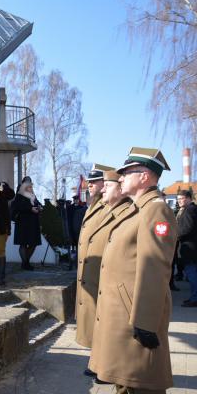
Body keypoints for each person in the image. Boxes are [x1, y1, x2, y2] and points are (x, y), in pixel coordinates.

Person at [89, 147, 177, 393]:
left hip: (136, 319)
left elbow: (155, 268)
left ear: (145, 176)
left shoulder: (156, 210)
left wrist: (146, 322)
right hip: (123, 315)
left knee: (142, 385)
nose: (121, 177)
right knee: (126, 384)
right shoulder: (137, 209)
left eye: (127, 172)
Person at [75, 169, 131, 382]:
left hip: (104, 274)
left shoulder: (117, 207)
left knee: (104, 321)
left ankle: (106, 366)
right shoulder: (99, 204)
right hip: (92, 271)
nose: (90, 185)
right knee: (96, 321)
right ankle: (99, 362)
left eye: (96, 182)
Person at [11, 176, 41, 271]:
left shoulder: (32, 193)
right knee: (23, 244)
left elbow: (36, 202)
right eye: (27, 182)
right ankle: (26, 264)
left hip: (33, 222)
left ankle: (25, 262)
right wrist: (30, 208)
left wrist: (40, 207)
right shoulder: (20, 192)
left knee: (34, 243)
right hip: (23, 222)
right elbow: (17, 205)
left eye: (30, 182)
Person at [176, 190, 197, 307]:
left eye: (182, 198)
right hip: (191, 248)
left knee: (191, 274)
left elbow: (188, 228)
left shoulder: (190, 210)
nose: (179, 201)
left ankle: (195, 298)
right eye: (178, 199)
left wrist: (175, 235)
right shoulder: (189, 209)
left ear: (189, 198)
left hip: (190, 248)